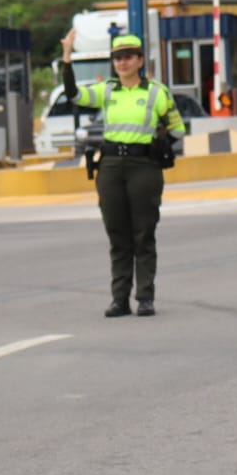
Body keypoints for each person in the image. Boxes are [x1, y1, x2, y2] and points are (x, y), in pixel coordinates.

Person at [60, 30, 187, 318]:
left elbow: (178, 128)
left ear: (140, 60)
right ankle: (119, 299)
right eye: (117, 58)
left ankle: (145, 297)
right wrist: (67, 56)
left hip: (144, 167)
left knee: (143, 234)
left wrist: (159, 146)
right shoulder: (108, 91)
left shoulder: (156, 92)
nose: (122, 63)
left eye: (128, 57)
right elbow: (74, 94)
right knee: (117, 235)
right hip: (111, 166)